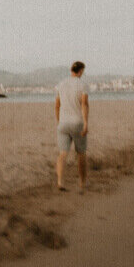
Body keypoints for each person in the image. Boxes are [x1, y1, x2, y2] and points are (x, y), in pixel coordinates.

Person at [54, 61, 89, 193]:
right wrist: (86, 123)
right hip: (77, 123)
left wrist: (59, 122)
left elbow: (57, 105)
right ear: (80, 71)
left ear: (71, 70)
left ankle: (60, 182)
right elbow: (84, 104)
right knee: (81, 154)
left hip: (63, 123)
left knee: (63, 154)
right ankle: (82, 183)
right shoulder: (82, 85)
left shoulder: (61, 84)